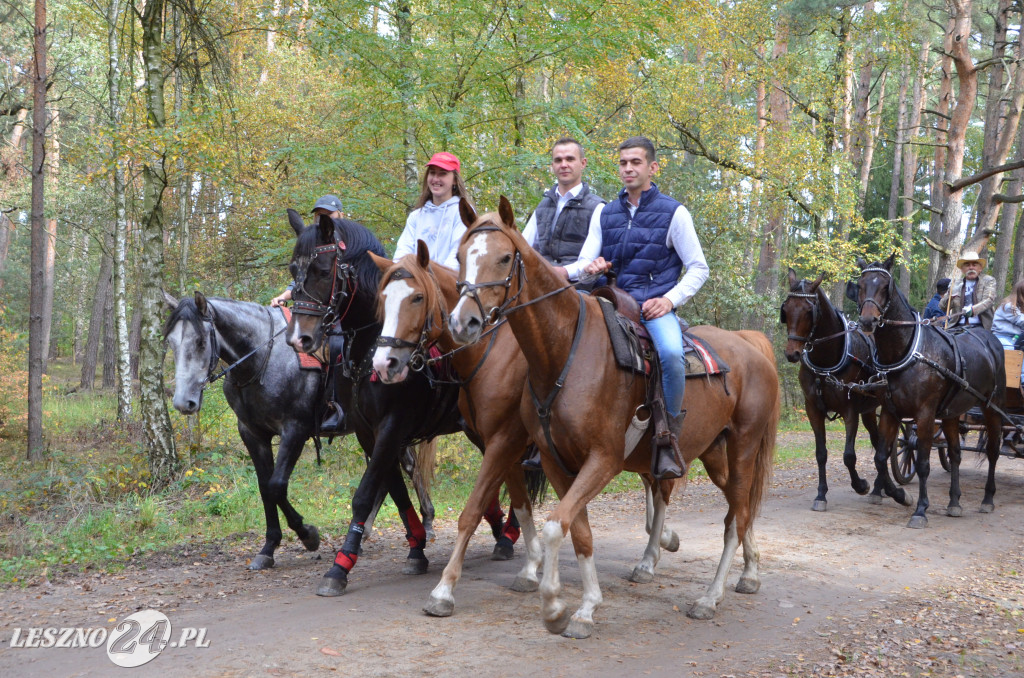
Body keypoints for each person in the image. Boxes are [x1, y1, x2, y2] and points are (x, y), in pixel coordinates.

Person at [581, 136, 709, 479]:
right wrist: (591, 267)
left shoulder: (674, 212)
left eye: (635, 162)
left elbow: (698, 267)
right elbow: (585, 260)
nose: (628, 169)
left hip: (653, 307)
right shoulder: (605, 212)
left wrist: (668, 300)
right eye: (623, 163)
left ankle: (667, 437)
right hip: (608, 299)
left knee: (669, 354)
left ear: (652, 167)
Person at [522, 137, 606, 287]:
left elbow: (588, 260)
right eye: (558, 160)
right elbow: (522, 248)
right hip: (538, 285)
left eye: (570, 159)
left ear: (583, 163)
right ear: (553, 165)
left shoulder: (597, 208)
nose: (564, 165)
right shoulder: (542, 207)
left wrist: (564, 272)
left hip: (577, 289)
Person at [392, 152, 471, 270]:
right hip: (418, 282)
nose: (435, 179)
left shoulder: (463, 212)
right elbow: (403, 252)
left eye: (442, 174)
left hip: (450, 283)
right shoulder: (416, 216)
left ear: (455, 180)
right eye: (432, 173)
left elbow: (458, 254)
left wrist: (436, 279)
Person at [271, 195, 344, 308]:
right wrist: (282, 297)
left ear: (341, 215)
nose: (324, 218)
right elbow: (304, 278)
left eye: (329, 214)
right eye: (319, 215)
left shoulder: (352, 241)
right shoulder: (314, 244)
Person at [938, 251, 998, 330]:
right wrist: (950, 295)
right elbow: (942, 306)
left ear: (980, 268)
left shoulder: (988, 280)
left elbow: (989, 300)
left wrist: (973, 310)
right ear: (962, 269)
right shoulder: (955, 283)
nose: (971, 267)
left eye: (974, 265)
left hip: (981, 326)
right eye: (967, 265)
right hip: (957, 325)